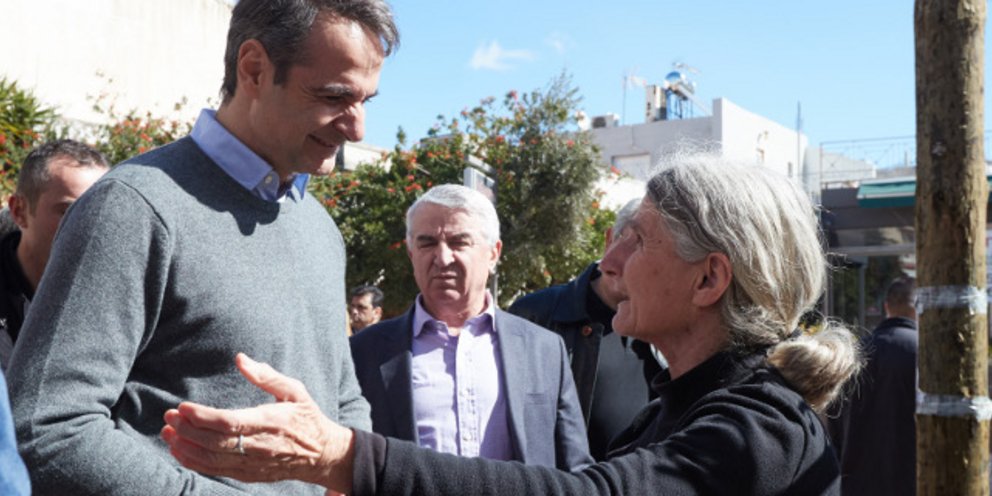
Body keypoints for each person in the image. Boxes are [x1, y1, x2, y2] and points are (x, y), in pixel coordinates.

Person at [161, 157, 861, 495]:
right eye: (426, 242)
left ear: (709, 279)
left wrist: (346, 456)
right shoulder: (675, 409)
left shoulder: (760, 428)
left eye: (638, 240)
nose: (609, 260)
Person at [8, 1, 398, 494]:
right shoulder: (132, 207)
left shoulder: (320, 228)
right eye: (334, 96)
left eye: (365, 101)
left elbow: (341, 397)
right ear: (254, 69)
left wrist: (349, 476)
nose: (357, 128)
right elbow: (47, 427)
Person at [348, 184, 591, 469]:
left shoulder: (543, 349)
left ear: (493, 253)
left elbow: (575, 467)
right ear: (411, 254)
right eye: (427, 243)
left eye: (458, 242)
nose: (442, 258)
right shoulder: (365, 352)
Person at [508, 198, 665, 460]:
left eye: (643, 247)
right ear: (609, 240)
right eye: (626, 240)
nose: (626, 261)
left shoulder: (668, 324)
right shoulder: (534, 315)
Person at [1, 140, 109, 370]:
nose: (91, 226)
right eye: (69, 211)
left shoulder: (118, 294)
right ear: (19, 211)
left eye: (101, 212)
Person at [829, 277, 918, 496]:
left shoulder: (854, 353)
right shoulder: (923, 351)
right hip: (910, 481)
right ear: (918, 309)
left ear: (886, 307)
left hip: (856, 483)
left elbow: (834, 423)